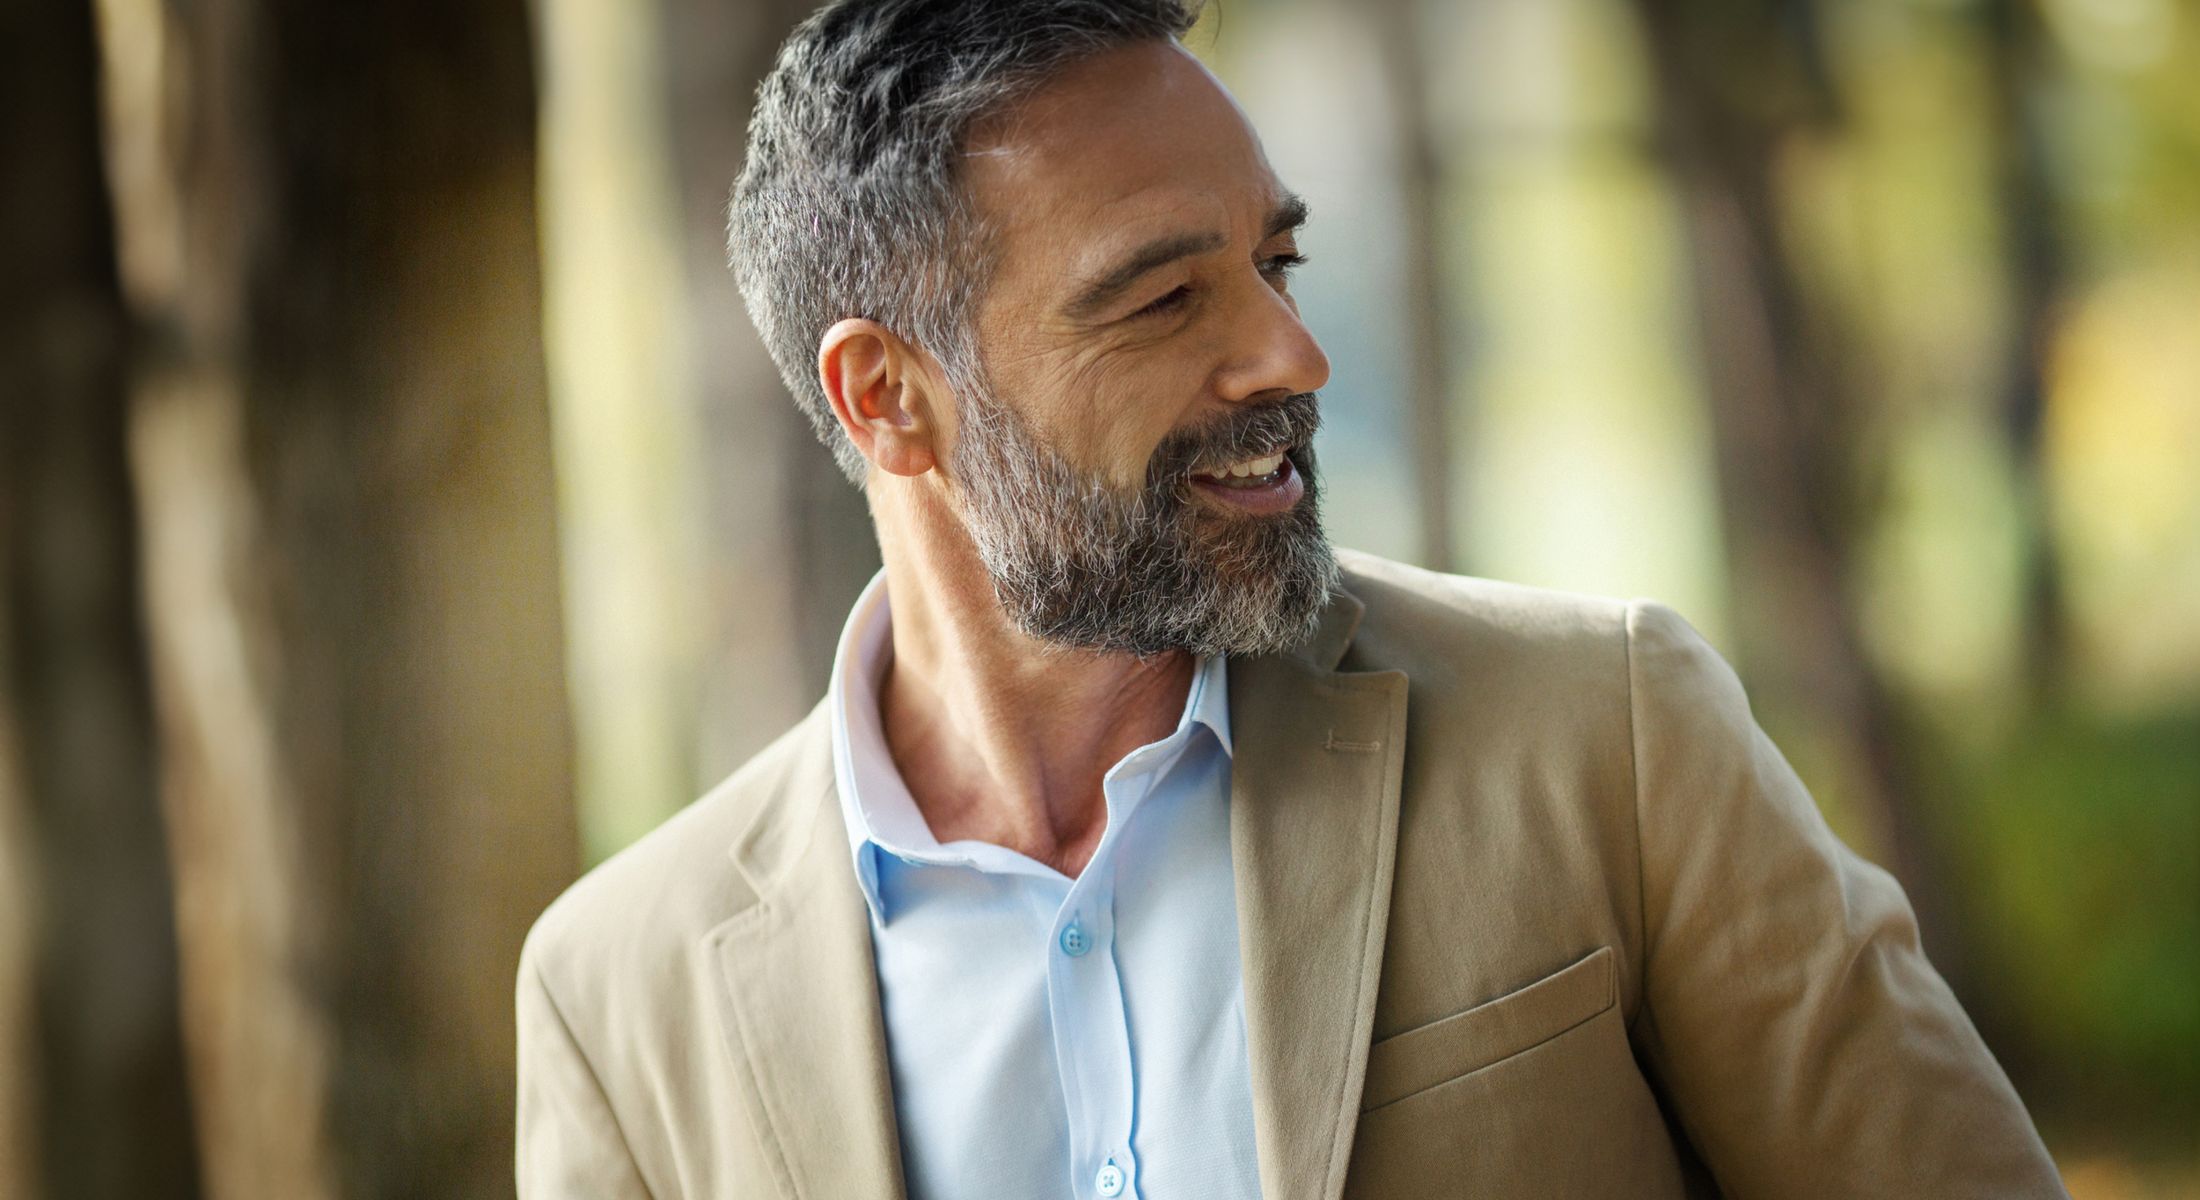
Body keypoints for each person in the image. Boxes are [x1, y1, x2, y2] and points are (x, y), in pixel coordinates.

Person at [514, 1, 2066, 1196]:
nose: (1290, 354)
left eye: (1277, 263)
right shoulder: (618, 993)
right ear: (887, 398)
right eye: (1163, 299)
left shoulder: (1610, 740)